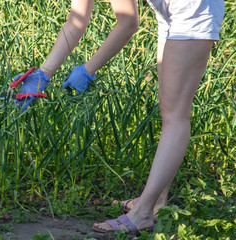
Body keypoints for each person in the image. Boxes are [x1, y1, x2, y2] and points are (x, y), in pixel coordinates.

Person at [14, 0, 225, 235]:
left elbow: (127, 23)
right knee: (169, 110)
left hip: (191, 7)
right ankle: (157, 203)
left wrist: (88, 69)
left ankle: (143, 213)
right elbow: (77, 19)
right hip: (167, 10)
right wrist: (43, 74)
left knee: (175, 114)